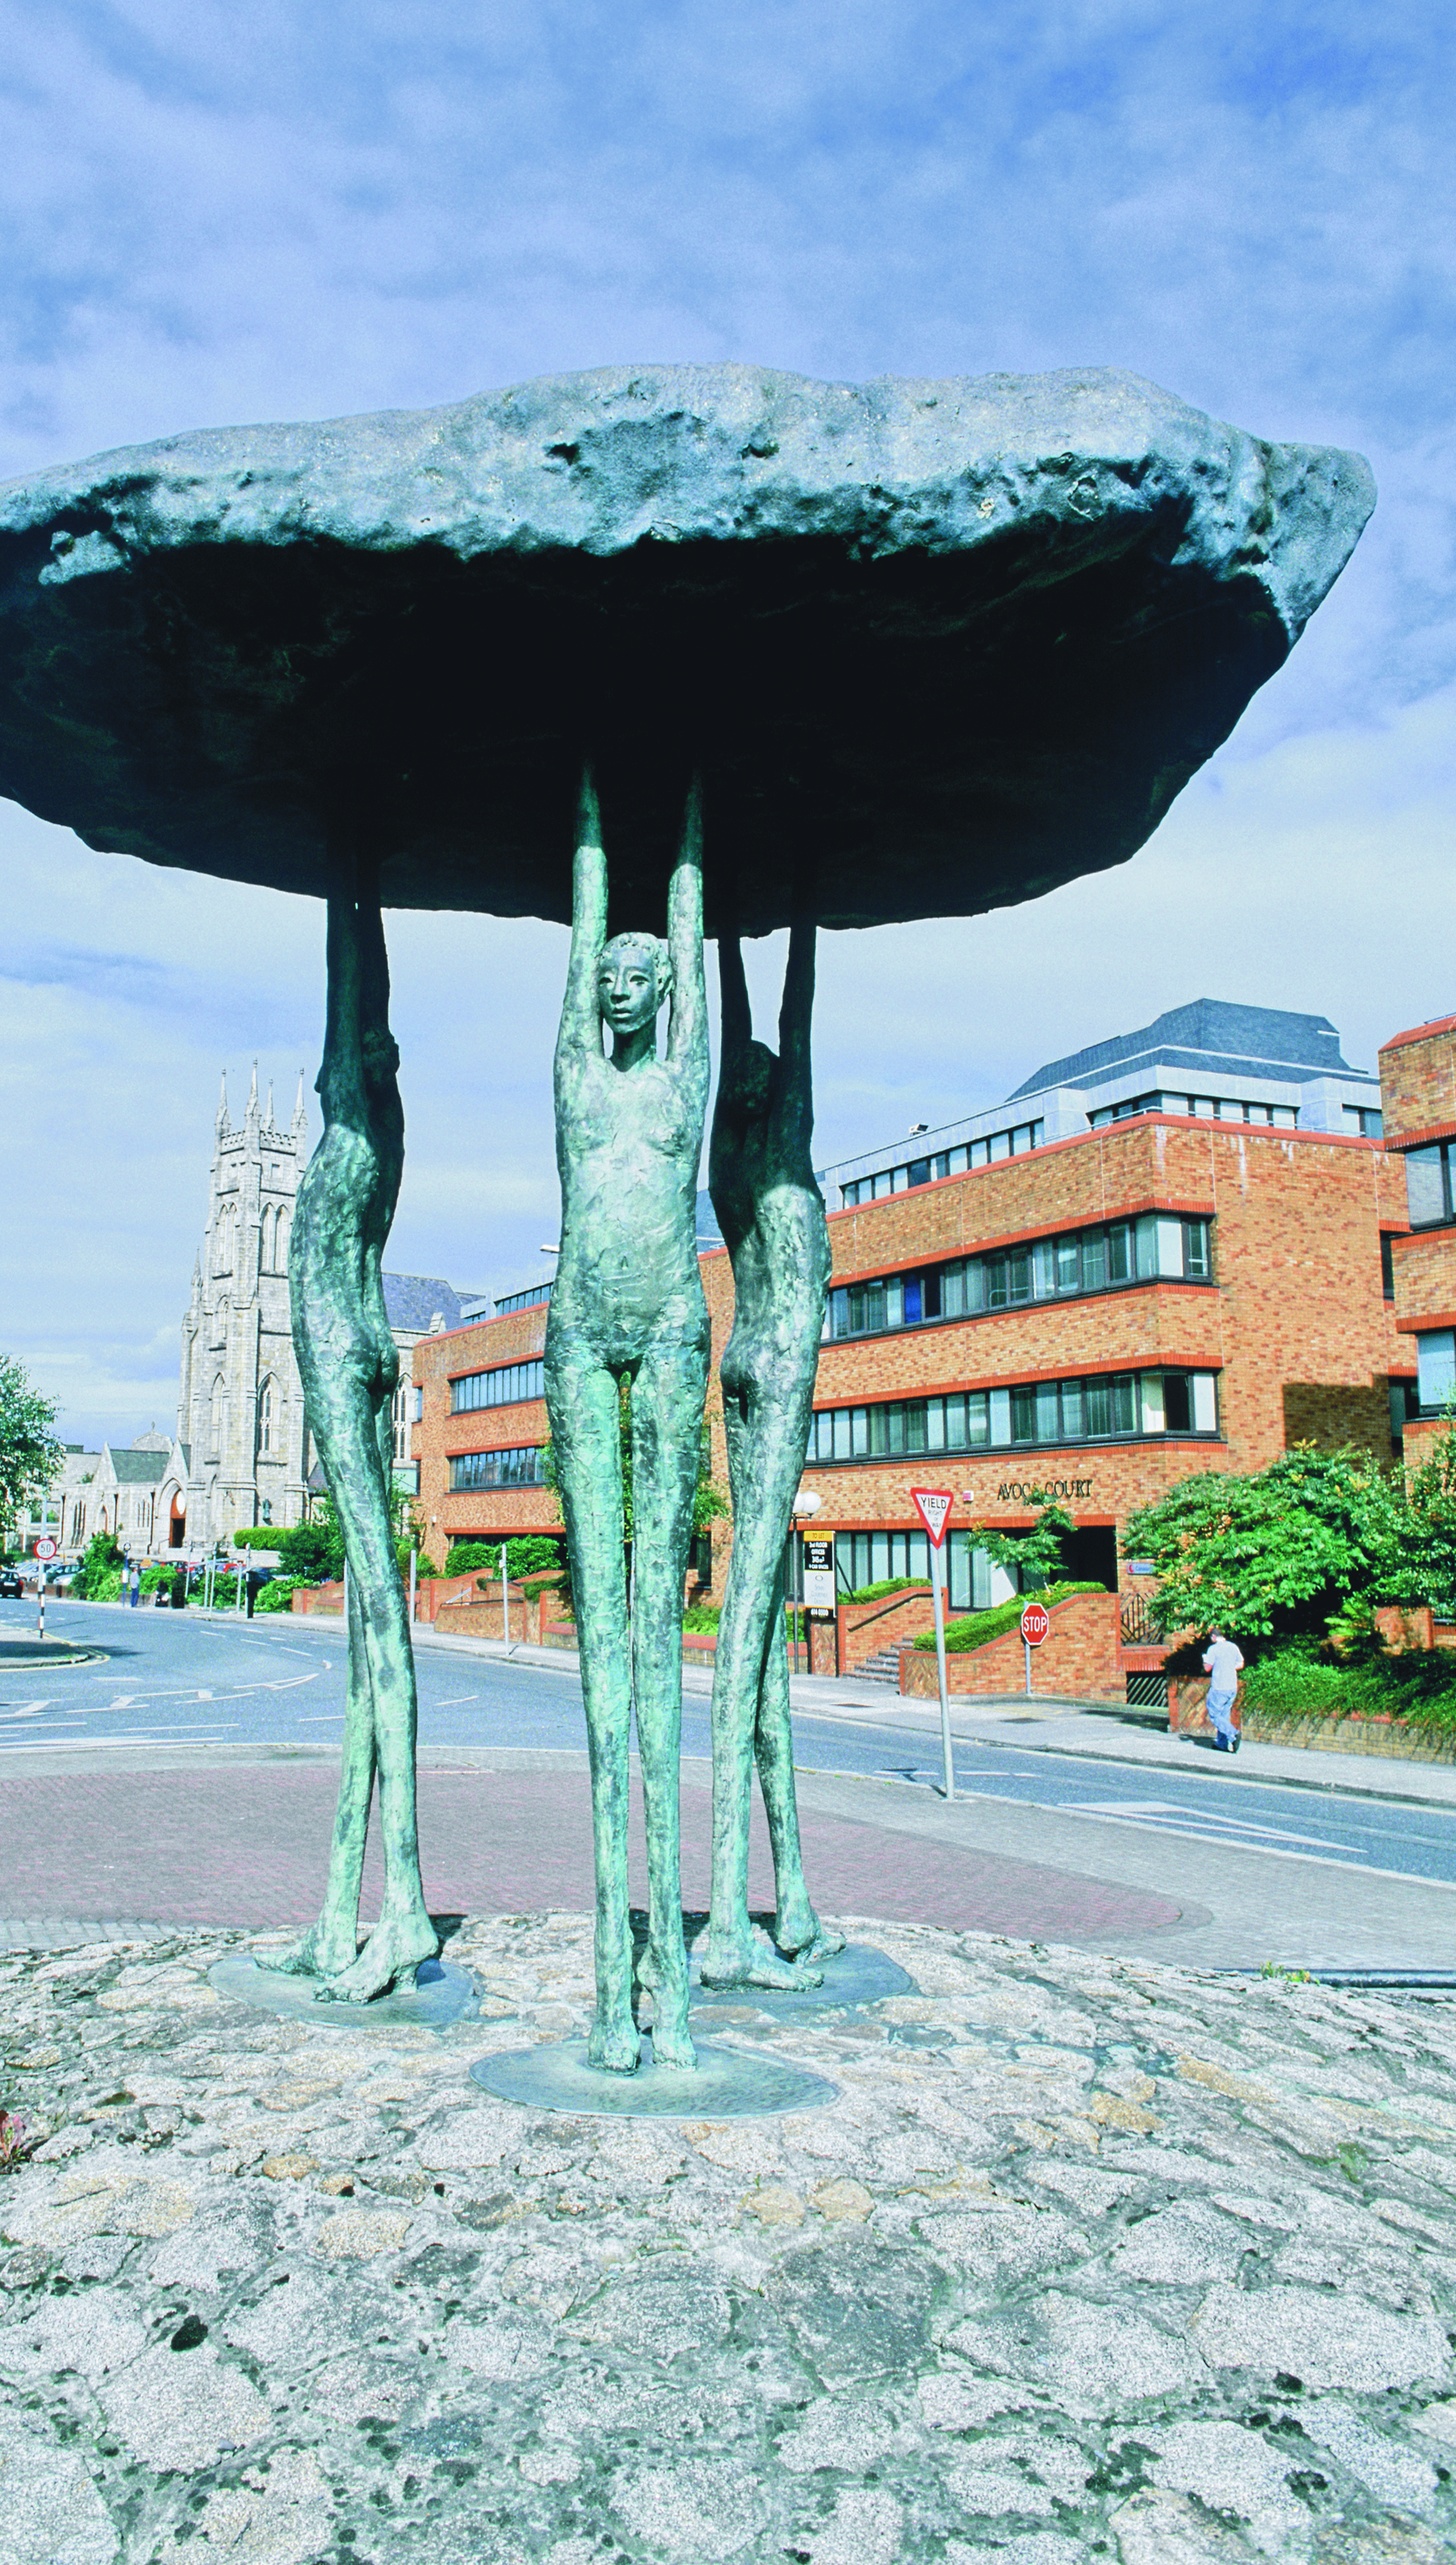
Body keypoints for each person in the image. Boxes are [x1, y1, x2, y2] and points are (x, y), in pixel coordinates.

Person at [545, 770, 709, 2073]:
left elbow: (691, 935)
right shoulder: (573, 1079)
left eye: (635, 974)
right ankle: (612, 1981)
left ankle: (673, 1974)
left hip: (665, 1324)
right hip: (574, 1326)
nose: (615, 985)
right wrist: (591, 812)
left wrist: (688, 815)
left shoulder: (679, 1083)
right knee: (600, 1634)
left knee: (656, 1627)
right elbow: (576, 936)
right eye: (605, 972)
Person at [268, 873, 439, 2001]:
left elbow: (350, 996)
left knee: (380, 1626)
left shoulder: (352, 1124)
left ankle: (403, 1902)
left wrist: (349, 881)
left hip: (339, 1341)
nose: (335, 1064)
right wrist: (363, 892)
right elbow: (363, 1004)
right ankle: (340, 1904)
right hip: (362, 1338)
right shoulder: (383, 1135)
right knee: (363, 1644)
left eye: (348, 1059)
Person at [703, 902, 844, 1988]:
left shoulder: (730, 1156)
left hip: (739, 1355)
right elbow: (790, 1021)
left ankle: (787, 1893)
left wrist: (722, 943)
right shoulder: (783, 1148)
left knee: (756, 1647)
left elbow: (740, 1030)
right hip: (783, 1355)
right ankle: (735, 1911)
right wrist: (798, 914)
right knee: (748, 1627)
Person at [1202, 1627, 1245, 1752]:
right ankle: (1221, 1744)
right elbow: (1241, 1664)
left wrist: (1205, 1659)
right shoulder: (1233, 1647)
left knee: (1214, 1715)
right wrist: (1229, 1667)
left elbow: (1207, 1668)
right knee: (1224, 1716)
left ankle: (1234, 1734)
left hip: (1219, 1687)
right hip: (1232, 1687)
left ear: (1214, 1637)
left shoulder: (1213, 1649)